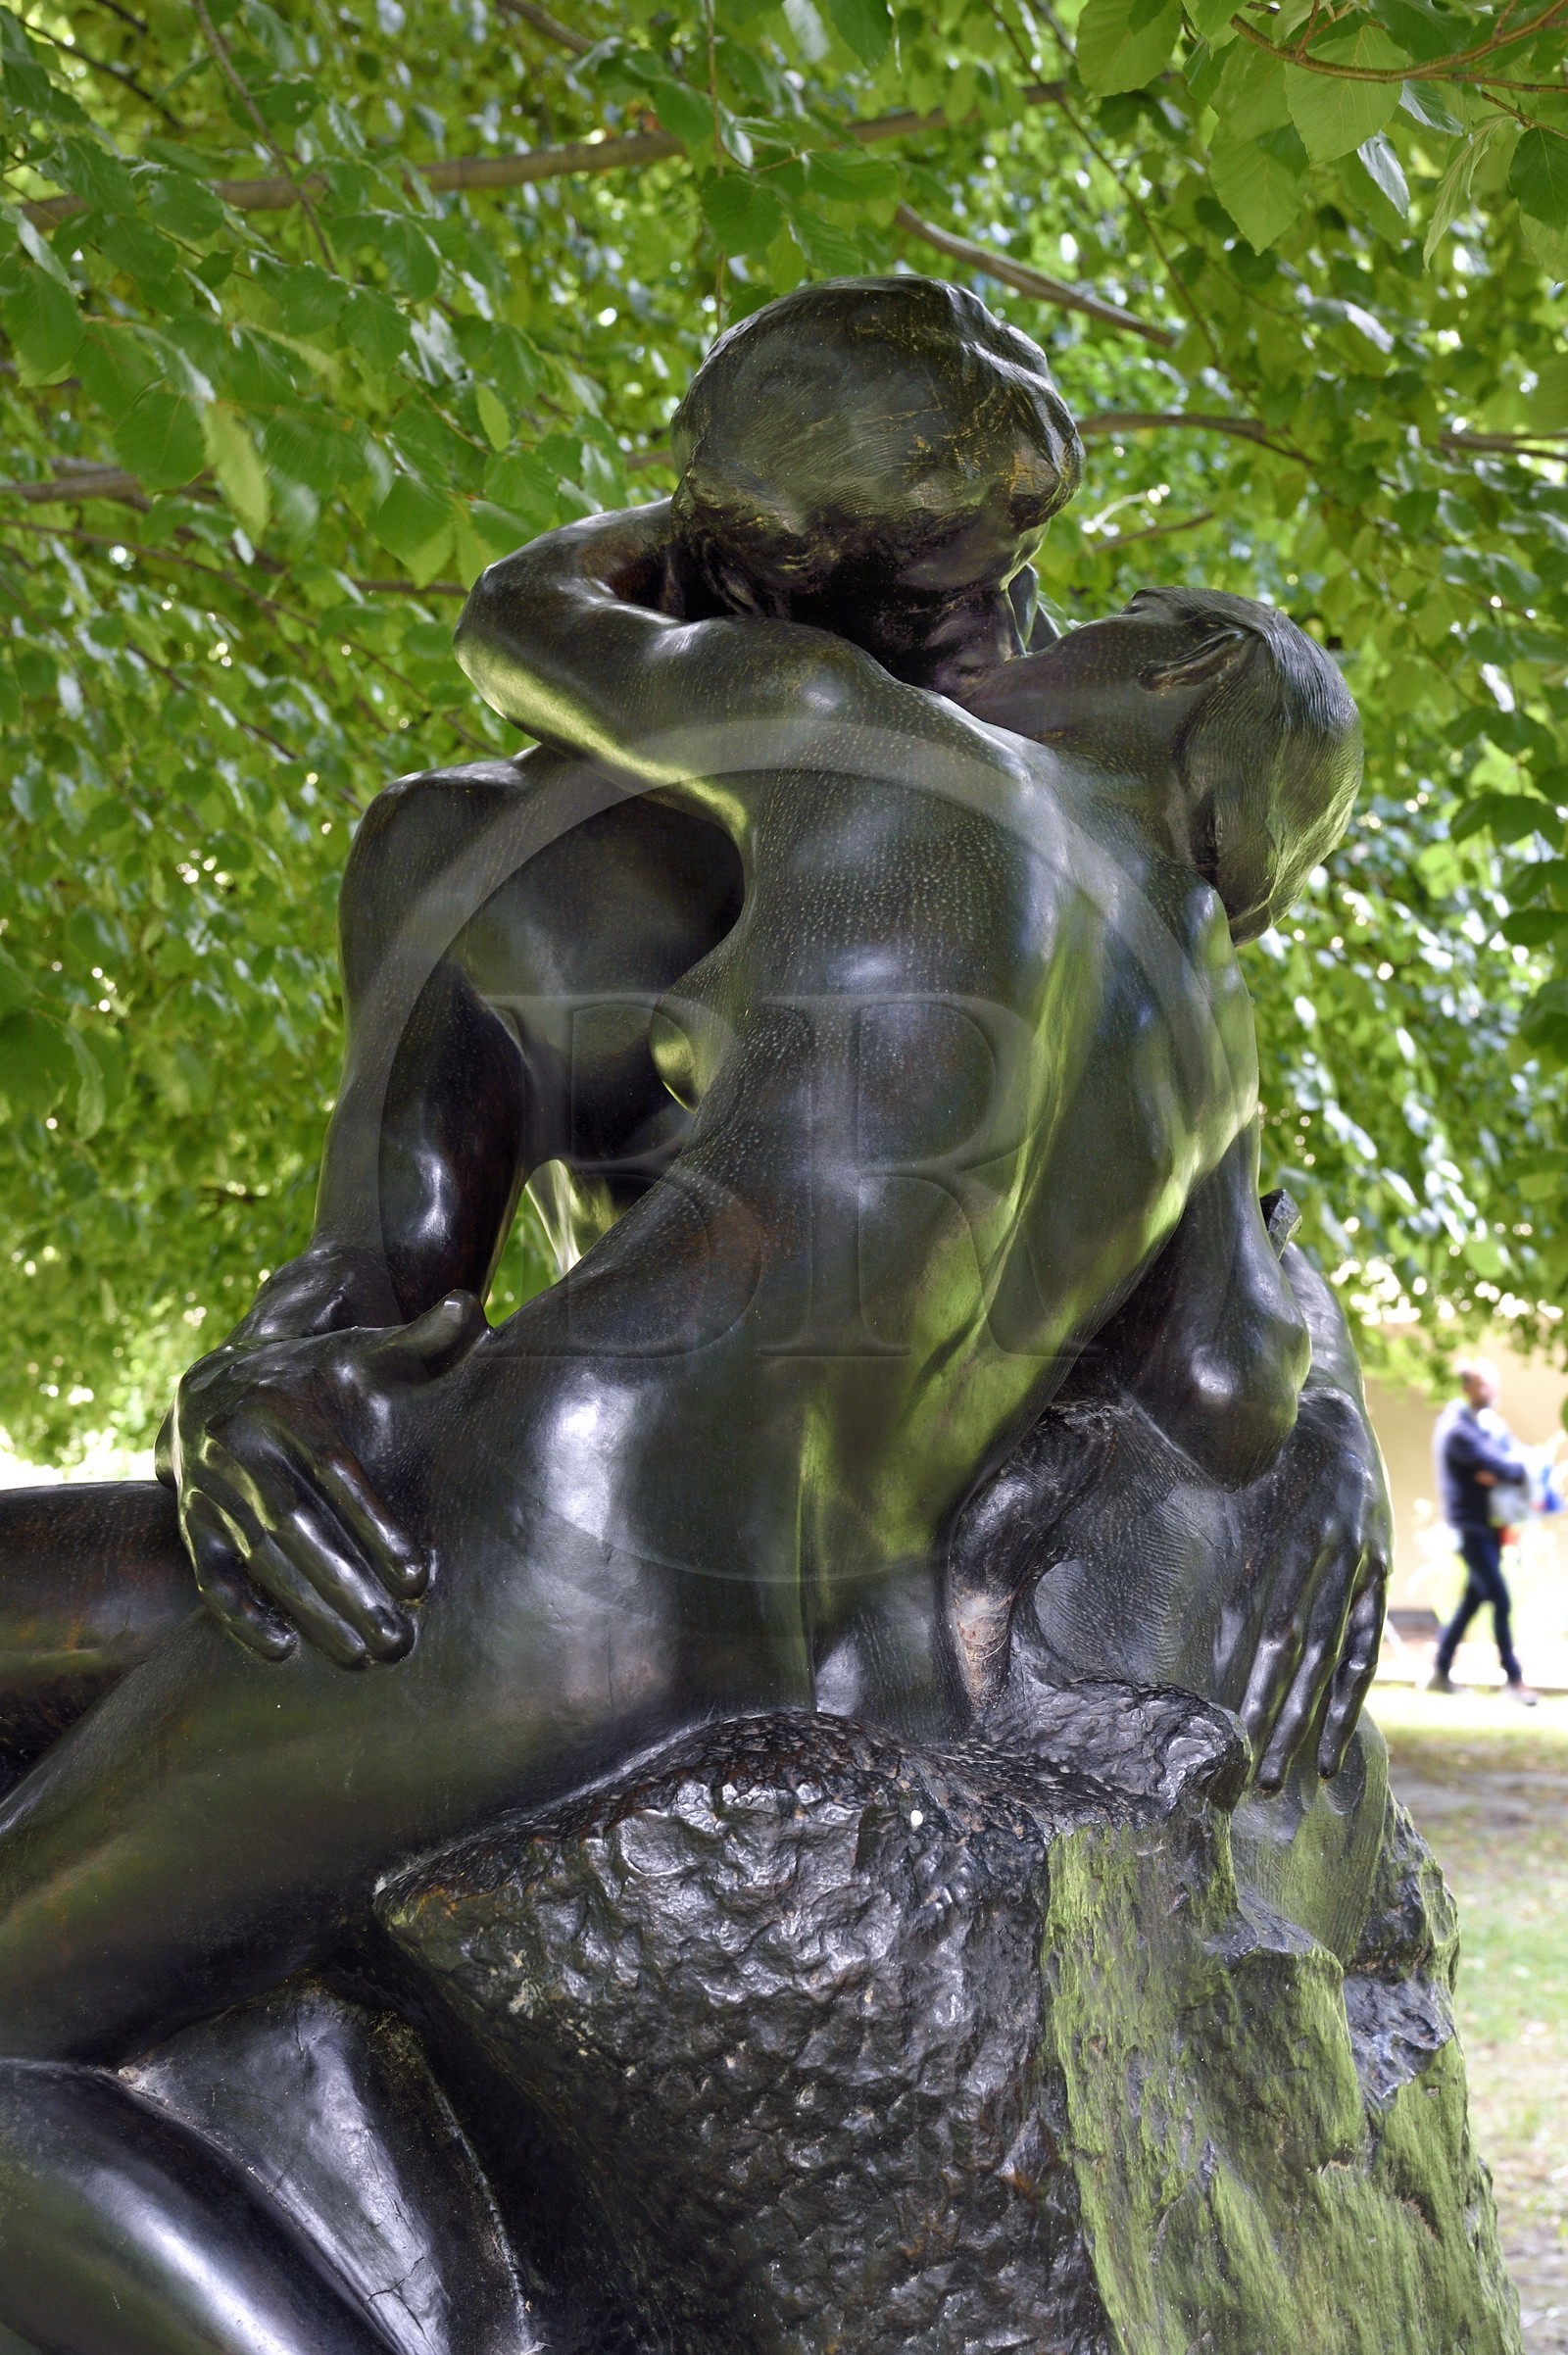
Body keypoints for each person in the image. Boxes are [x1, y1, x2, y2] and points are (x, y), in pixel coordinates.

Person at [0, 278, 1373, 2352]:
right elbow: (1232, 1373)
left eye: (1041, 609)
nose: (1005, 626)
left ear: (1171, 670)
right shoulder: (1198, 1040)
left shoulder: (880, 751)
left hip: (551, 1554)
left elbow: (520, 623)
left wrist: (689, 536)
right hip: (830, 1644)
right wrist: (1337, 1461)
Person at [1429, 1355, 1537, 1702]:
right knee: (1502, 1600)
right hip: (1470, 1529)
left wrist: (1503, 1469)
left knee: (1472, 1602)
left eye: (1493, 1382)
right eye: (1484, 1383)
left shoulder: (1478, 1426)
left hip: (1486, 1528)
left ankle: (1440, 1670)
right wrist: (1508, 1470)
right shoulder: (1458, 1430)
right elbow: (1504, 1466)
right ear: (1468, 1388)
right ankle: (1514, 1680)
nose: (1492, 1389)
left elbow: (1504, 1464)